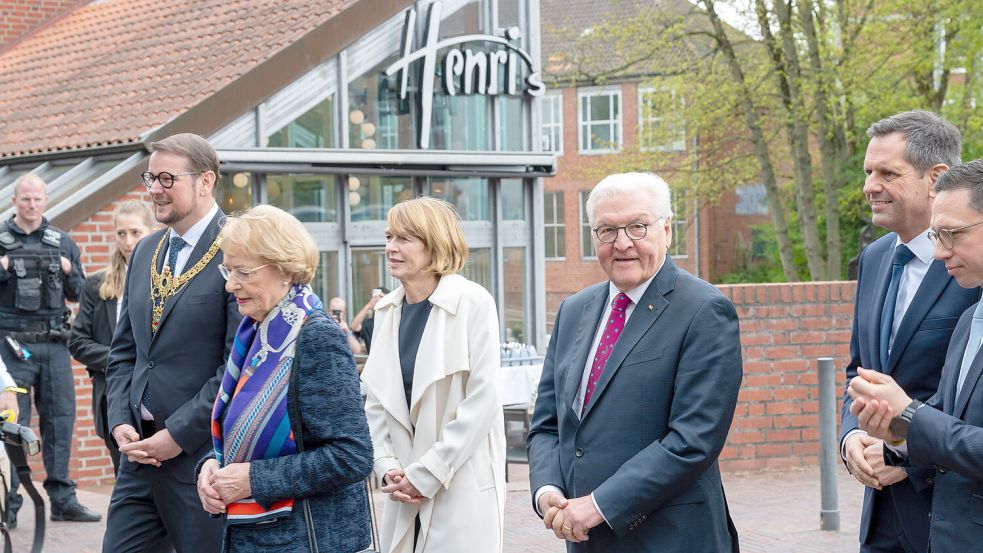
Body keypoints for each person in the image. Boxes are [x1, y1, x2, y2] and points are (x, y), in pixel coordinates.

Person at [526, 172, 742, 552]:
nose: (622, 243)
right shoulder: (574, 310)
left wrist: (597, 506)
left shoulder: (704, 311)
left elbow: (693, 441)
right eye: (607, 230)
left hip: (670, 539)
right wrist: (548, 492)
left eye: (638, 227)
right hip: (585, 538)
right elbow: (547, 424)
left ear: (667, 230)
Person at [196, 205, 373, 552]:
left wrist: (252, 479)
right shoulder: (253, 334)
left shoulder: (315, 337)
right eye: (228, 269)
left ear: (283, 269)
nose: (231, 284)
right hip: (255, 536)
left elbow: (352, 455)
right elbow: (241, 432)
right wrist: (210, 468)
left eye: (243, 272)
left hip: (309, 539)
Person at [839, 110, 977, 553]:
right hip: (880, 509)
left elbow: (961, 397)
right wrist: (853, 438)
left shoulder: (969, 268)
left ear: (935, 177)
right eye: (867, 172)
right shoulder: (875, 258)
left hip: (951, 510)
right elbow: (860, 372)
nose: (869, 186)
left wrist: (905, 450)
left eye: (887, 173)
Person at [104, 133, 241, 553]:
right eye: (150, 178)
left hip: (203, 461)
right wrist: (120, 420)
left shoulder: (238, 247)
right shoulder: (145, 250)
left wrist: (178, 434)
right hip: (139, 457)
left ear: (206, 181)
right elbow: (125, 352)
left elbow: (236, 365)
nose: (154, 190)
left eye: (167, 178)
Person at [361, 197, 505, 553]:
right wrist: (387, 466)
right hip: (401, 487)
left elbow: (483, 400)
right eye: (389, 236)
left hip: (460, 483)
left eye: (404, 239)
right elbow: (376, 402)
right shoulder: (385, 312)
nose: (390, 248)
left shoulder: (473, 302)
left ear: (435, 244)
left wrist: (427, 473)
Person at [0, 173, 100, 526]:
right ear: (15, 201)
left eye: (37, 198)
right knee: (12, 426)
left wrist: (72, 271)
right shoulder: (0, 240)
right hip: (12, 348)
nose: (32, 205)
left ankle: (62, 500)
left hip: (55, 347)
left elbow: (81, 294)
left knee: (60, 423)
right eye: (25, 199)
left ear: (46, 200)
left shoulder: (63, 242)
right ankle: (7, 507)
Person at [69, 200, 155, 474]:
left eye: (135, 232)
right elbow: (78, 341)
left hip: (156, 395)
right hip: (113, 394)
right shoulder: (96, 285)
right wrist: (121, 360)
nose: (127, 241)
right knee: (124, 477)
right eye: (121, 233)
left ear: (152, 231)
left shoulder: (165, 280)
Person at [351, 286, 390, 353]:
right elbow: (354, 327)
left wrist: (388, 300)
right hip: (374, 361)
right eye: (375, 297)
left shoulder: (393, 320)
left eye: (381, 297)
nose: (378, 300)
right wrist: (368, 306)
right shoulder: (368, 323)